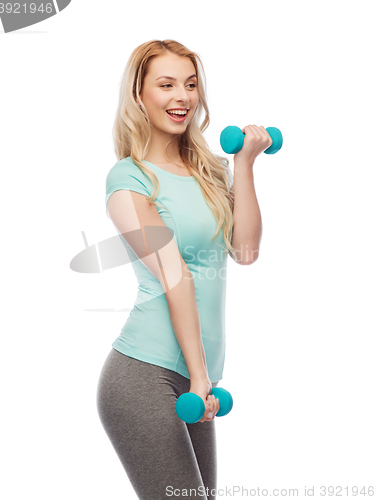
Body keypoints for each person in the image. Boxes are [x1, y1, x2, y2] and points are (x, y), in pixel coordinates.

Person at [96, 39, 269, 500]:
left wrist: (243, 164)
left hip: (196, 376)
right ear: (139, 94)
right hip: (143, 375)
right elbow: (175, 275)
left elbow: (245, 250)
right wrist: (200, 375)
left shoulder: (207, 169)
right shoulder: (129, 178)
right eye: (166, 84)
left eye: (190, 85)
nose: (183, 97)